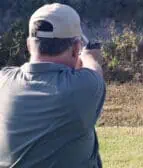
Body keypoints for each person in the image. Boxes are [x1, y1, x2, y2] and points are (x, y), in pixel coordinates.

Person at [0, 3, 106, 168]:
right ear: (76, 48)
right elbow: (93, 70)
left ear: (29, 45)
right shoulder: (85, 87)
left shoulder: (4, 80)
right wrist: (89, 56)